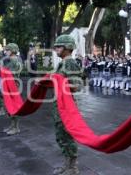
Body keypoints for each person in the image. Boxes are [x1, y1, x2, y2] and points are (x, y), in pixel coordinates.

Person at [51, 35, 82, 175]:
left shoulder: (70, 63)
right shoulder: (62, 63)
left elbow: (76, 85)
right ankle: (67, 164)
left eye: (59, 46)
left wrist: (58, 82)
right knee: (61, 136)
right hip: (60, 104)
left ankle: (73, 167)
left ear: (67, 48)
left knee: (67, 136)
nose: (56, 49)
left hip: (66, 105)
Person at [2, 43, 23, 135]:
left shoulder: (15, 61)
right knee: (9, 105)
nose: (5, 51)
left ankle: (16, 127)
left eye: (7, 50)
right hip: (9, 84)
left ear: (12, 50)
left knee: (14, 106)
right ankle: (12, 124)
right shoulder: (11, 60)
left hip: (13, 86)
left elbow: (10, 72)